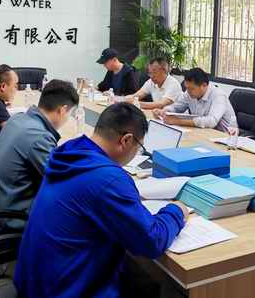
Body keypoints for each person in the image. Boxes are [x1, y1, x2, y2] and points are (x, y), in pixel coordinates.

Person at [14, 103, 188, 298]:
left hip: (35, 282)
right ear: (126, 140)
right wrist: (176, 211)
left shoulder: (70, 153)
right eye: (139, 148)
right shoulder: (108, 179)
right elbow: (152, 241)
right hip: (65, 290)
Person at [0, 79, 79, 234]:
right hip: (6, 221)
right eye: (70, 114)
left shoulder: (17, 118)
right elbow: (62, 184)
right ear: (62, 110)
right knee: (75, 217)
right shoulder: (40, 137)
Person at [153, 68, 237, 132]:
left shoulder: (218, 95)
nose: (188, 91)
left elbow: (211, 121)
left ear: (204, 85)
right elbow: (176, 107)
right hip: (203, 132)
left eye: (191, 88)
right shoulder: (189, 93)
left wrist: (178, 121)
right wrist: (164, 111)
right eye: (187, 88)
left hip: (225, 137)